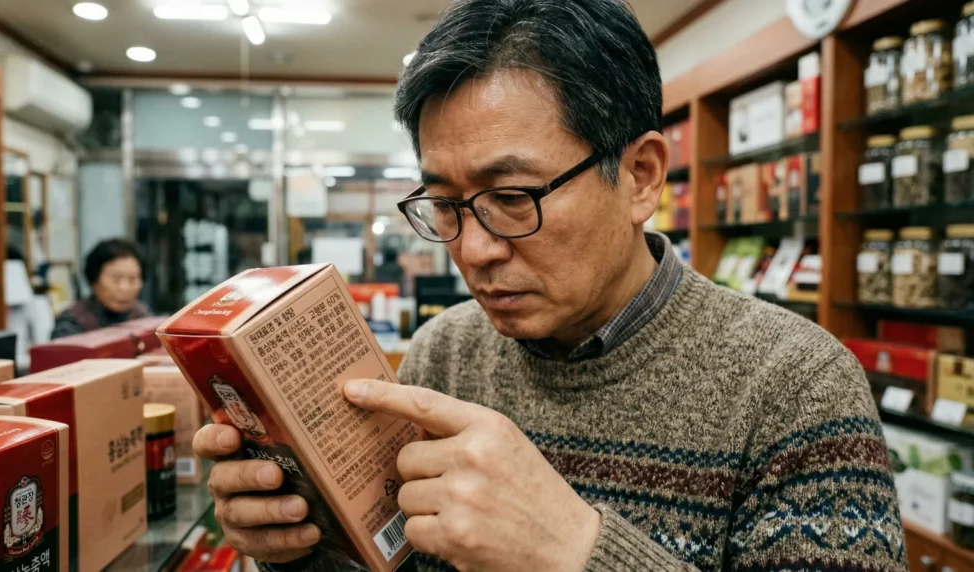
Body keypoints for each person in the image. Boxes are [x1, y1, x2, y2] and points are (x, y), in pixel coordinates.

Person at [193, 1, 906, 570]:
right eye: (446, 204)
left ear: (641, 175)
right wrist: (299, 544)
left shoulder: (796, 385)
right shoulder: (445, 355)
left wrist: (575, 550)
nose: (472, 250)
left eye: (513, 197)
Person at [51, 238, 151, 339]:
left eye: (132, 280)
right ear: (94, 280)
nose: (124, 288)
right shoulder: (72, 323)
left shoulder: (143, 316)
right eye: (115, 279)